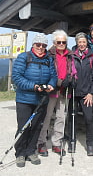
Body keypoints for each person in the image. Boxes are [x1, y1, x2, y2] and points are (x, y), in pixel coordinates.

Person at [11, 33, 57, 167]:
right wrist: (34, 86)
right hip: (25, 99)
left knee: (37, 126)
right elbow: (17, 77)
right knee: (23, 126)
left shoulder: (48, 59)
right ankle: (20, 153)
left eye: (44, 45)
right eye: (38, 45)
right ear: (33, 45)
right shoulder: (24, 57)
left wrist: (51, 85)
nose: (41, 47)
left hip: (42, 99)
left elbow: (53, 76)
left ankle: (31, 151)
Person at [37, 30, 74, 157]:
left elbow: (73, 71)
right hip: (51, 90)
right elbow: (47, 72)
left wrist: (72, 80)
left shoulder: (70, 55)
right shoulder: (49, 55)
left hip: (65, 91)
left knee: (61, 117)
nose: (62, 44)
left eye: (64, 42)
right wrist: (59, 82)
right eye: (59, 42)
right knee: (46, 117)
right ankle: (41, 142)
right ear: (54, 43)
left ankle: (56, 143)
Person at [68, 32, 93, 156]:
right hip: (74, 92)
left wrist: (91, 93)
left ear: (87, 43)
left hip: (87, 94)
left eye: (83, 42)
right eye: (79, 42)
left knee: (89, 118)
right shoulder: (71, 55)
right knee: (72, 117)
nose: (81, 44)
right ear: (76, 42)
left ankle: (90, 144)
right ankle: (72, 142)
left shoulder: (92, 56)